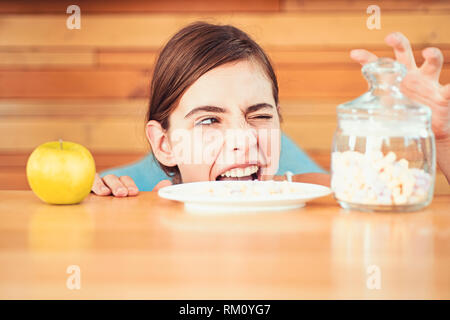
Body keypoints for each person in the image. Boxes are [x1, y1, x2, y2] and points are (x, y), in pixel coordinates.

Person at [91, 22, 450, 197]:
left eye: (260, 116)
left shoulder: (314, 192)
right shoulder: (141, 202)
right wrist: (96, 196)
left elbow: (392, 195)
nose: (245, 140)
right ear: (165, 144)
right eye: (210, 119)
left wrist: (443, 141)